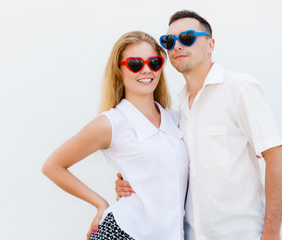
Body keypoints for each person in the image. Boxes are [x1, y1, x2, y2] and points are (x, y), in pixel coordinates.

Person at [115, 10, 282, 240]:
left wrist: (272, 233)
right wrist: (131, 182)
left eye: (187, 38)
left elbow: (276, 156)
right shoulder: (180, 108)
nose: (177, 46)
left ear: (210, 44)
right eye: (169, 41)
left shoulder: (239, 89)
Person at [42, 31, 189, 240]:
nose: (146, 70)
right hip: (124, 233)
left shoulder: (176, 119)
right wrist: (99, 202)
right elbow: (53, 166)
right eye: (135, 64)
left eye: (154, 62)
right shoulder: (111, 123)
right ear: (119, 70)